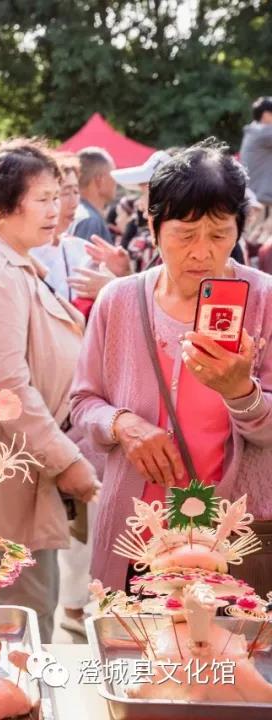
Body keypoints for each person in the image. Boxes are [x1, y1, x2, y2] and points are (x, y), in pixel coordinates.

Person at [72, 140, 272, 595]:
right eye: (185, 234)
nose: (202, 252)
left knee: (228, 662)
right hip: (137, 534)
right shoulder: (118, 301)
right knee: (135, 660)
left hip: (237, 535)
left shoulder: (265, 300)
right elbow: (84, 403)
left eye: (220, 234)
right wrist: (123, 424)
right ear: (153, 222)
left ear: (241, 230)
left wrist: (243, 393)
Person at [0, 139, 101, 642]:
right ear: (0, 207)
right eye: (42, 198)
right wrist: (67, 459)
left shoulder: (16, 266)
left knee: (32, 605)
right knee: (22, 615)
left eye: (58, 197)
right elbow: (6, 387)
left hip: (25, 465)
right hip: (11, 470)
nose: (55, 210)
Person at [30, 154, 93, 307]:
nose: (74, 202)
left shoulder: (81, 249)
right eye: (65, 193)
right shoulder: (25, 252)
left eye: (76, 192)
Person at [71, 147, 117, 242]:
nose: (116, 181)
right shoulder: (90, 220)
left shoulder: (73, 213)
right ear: (99, 180)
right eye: (113, 175)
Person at [241, 96, 272, 211]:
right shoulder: (264, 132)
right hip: (261, 201)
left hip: (255, 197)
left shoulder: (255, 130)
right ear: (266, 115)